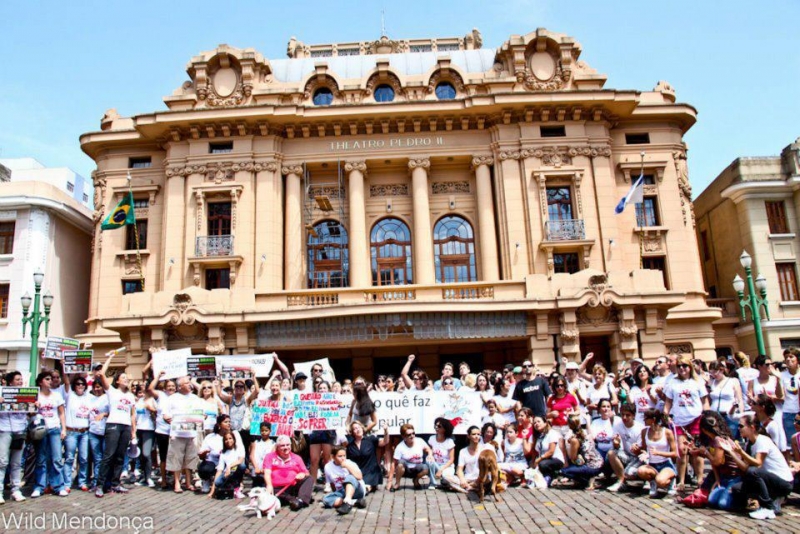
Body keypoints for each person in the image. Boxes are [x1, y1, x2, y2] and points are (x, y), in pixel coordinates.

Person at [723, 414, 794, 520]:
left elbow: (758, 464)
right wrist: (731, 452)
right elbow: (744, 468)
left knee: (753, 472)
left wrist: (740, 452)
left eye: (741, 426)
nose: (739, 428)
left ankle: (768, 507)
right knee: (737, 489)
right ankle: (772, 501)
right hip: (768, 481)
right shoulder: (750, 444)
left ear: (752, 427)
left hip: (783, 482)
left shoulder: (762, 440)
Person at [94, 351, 137, 498]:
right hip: (113, 425)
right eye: (123, 378)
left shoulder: (131, 396)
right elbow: (101, 375)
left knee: (120, 456)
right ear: (117, 381)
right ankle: (99, 485)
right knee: (108, 456)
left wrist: (133, 432)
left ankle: (115, 483)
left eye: (127, 378)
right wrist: (110, 358)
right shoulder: (111, 391)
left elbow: (132, 415)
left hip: (125, 426)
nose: (126, 380)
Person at [664, 355, 709, 491]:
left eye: (685, 366)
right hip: (679, 420)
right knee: (682, 451)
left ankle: (700, 478)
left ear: (690, 368)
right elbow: (668, 402)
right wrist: (666, 416)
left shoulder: (698, 382)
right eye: (679, 366)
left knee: (696, 450)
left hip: (696, 418)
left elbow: (704, 401)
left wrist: (707, 416)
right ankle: (681, 480)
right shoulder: (673, 383)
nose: (682, 368)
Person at [31, 370, 68, 498]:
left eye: (51, 379)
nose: (50, 381)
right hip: (40, 429)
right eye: (47, 379)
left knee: (57, 458)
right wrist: (34, 407)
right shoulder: (36, 395)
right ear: (40, 382)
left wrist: (63, 429)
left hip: (54, 428)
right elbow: (29, 414)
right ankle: (40, 486)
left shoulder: (57, 395)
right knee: (41, 459)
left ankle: (58, 486)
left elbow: (62, 413)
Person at [163, 375, 203, 494]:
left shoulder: (195, 398)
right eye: (186, 383)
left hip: (191, 433)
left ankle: (188, 482)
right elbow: (165, 414)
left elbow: (200, 413)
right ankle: (177, 482)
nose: (189, 384)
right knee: (176, 458)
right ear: (180, 386)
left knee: (190, 458)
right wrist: (167, 418)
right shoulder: (172, 398)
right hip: (177, 433)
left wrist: (202, 417)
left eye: (190, 382)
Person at [634, 409, 678, 498]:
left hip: (666, 464)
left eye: (646, 418)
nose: (644, 420)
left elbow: (675, 453)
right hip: (652, 465)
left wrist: (659, 453)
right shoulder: (644, 431)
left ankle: (671, 481)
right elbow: (644, 449)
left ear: (653, 419)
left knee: (661, 481)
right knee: (640, 471)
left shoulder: (667, 432)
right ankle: (653, 482)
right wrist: (637, 449)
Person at [263, 435, 313, 511]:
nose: (286, 447)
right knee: (266, 489)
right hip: (276, 488)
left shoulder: (297, 457)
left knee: (309, 479)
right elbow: (267, 473)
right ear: (277, 447)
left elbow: (306, 473)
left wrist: (302, 474)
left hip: (292, 486)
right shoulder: (269, 457)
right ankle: (293, 499)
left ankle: (300, 501)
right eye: (282, 446)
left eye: (288, 445)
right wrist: (269, 485)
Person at [198, 414, 245, 494]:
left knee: (242, 465)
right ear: (219, 425)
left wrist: (231, 465)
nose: (229, 424)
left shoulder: (235, 434)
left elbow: (241, 453)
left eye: (229, 422)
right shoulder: (210, 437)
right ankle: (206, 480)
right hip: (214, 463)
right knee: (204, 468)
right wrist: (204, 453)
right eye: (225, 422)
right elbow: (201, 456)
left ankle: (237, 482)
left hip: (230, 463)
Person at [0, 371, 28, 503]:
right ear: (10, 382)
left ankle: (15, 490)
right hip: (4, 430)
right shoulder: (1, 391)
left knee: (16, 463)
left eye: (21, 379)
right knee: (2, 461)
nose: (20, 381)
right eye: (17, 379)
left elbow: (31, 414)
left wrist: (34, 406)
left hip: (19, 430)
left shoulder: (26, 393)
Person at [62, 373, 92, 491]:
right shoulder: (70, 395)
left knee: (84, 458)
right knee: (69, 458)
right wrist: (65, 368)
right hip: (71, 432)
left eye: (82, 384)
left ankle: (82, 482)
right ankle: (67, 483)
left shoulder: (88, 396)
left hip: (84, 432)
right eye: (78, 384)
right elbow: (67, 382)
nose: (80, 386)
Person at [606, 403, 645, 492]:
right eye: (622, 415)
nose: (624, 418)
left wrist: (637, 449)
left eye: (628, 415)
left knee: (629, 474)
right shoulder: (618, 425)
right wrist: (616, 443)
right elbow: (616, 446)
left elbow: (642, 451)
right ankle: (621, 481)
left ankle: (647, 480)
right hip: (627, 454)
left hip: (638, 457)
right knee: (611, 453)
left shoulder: (640, 428)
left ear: (633, 415)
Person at [561, 414, 604, 490]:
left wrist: (565, 448)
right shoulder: (584, 432)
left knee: (564, 471)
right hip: (599, 462)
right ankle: (586, 478)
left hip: (592, 466)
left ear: (570, 425)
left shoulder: (574, 440)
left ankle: (585, 481)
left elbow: (573, 458)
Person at [148, 375, 176, 490]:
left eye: (173, 386)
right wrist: (158, 376)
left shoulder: (178, 397)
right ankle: (164, 480)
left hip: (175, 431)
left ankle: (175, 480)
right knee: (163, 457)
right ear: (164, 388)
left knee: (175, 457)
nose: (171, 388)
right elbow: (150, 389)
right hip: (162, 431)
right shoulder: (160, 395)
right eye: (169, 386)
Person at [323, 446, 367, 515]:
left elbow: (359, 477)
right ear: (333, 457)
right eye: (340, 456)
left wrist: (347, 466)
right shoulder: (328, 467)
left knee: (350, 477)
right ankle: (354, 502)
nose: (343, 458)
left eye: (344, 455)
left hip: (356, 490)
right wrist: (336, 493)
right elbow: (332, 483)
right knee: (326, 499)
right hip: (342, 491)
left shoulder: (350, 463)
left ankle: (348, 502)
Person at [308, 380, 336, 491]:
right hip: (315, 432)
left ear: (329, 390)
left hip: (328, 432)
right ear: (317, 390)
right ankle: (313, 483)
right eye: (320, 388)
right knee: (314, 459)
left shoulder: (333, 400)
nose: (322, 390)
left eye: (324, 388)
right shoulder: (312, 401)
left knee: (327, 459)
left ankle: (328, 482)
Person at [347, 420, 389, 492]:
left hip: (371, 471)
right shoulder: (350, 446)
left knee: (365, 486)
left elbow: (385, 442)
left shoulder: (370, 439)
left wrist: (386, 431)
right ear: (352, 432)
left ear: (362, 428)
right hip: (358, 471)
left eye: (359, 427)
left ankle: (366, 490)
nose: (358, 429)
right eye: (355, 428)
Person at [389, 423, 433, 491]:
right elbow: (393, 463)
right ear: (404, 437)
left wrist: (430, 455)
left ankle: (416, 480)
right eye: (409, 435)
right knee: (400, 463)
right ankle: (397, 483)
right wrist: (390, 481)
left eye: (413, 433)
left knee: (426, 468)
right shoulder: (400, 447)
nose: (412, 436)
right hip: (405, 470)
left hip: (417, 468)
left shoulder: (420, 441)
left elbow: (428, 449)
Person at [708, 361, 743, 438]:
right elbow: (709, 400)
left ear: (721, 370)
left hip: (729, 414)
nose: (713, 375)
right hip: (715, 416)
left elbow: (739, 399)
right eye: (711, 373)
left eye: (715, 372)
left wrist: (741, 415)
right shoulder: (711, 382)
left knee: (731, 437)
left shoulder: (733, 381)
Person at [452, 425, 491, 494]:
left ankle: (469, 487)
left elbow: (488, 469)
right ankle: (468, 488)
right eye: (473, 434)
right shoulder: (463, 451)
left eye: (478, 434)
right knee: (446, 478)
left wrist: (477, 481)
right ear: (468, 436)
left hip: (481, 479)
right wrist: (462, 480)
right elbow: (459, 469)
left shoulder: (485, 448)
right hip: (468, 479)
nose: (476, 436)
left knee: (489, 477)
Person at [208, 432, 245, 499]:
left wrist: (229, 466)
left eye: (230, 438)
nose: (228, 441)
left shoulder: (239, 448)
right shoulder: (223, 453)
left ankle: (237, 488)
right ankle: (228, 487)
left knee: (242, 466)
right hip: (227, 474)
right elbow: (220, 470)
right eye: (226, 439)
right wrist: (212, 491)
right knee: (217, 482)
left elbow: (240, 460)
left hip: (235, 471)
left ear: (234, 439)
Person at [133, 384, 157, 487]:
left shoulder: (153, 400)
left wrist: (150, 408)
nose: (143, 394)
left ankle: (149, 477)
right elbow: (134, 416)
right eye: (141, 391)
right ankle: (143, 476)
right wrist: (133, 431)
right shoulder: (138, 402)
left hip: (149, 429)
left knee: (146, 453)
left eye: (144, 391)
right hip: (139, 429)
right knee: (141, 455)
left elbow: (157, 413)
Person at [87, 378, 109, 489]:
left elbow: (113, 411)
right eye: (95, 387)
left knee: (106, 459)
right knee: (97, 459)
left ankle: (105, 482)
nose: (97, 389)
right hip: (93, 431)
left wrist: (104, 414)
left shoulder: (107, 398)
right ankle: (96, 482)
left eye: (99, 386)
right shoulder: (90, 399)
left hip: (105, 431)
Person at [532, 415, 565, 486]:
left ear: (545, 423)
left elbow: (551, 451)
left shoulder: (552, 433)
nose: (536, 424)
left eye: (538, 422)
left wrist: (538, 460)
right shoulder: (539, 436)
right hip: (544, 459)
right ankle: (547, 478)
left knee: (542, 464)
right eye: (534, 423)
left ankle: (555, 474)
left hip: (555, 459)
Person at [546, 375, 578, 441]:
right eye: (557, 386)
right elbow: (546, 415)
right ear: (554, 387)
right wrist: (551, 414)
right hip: (556, 427)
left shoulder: (570, 396)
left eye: (561, 385)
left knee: (569, 444)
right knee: (559, 446)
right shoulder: (551, 399)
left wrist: (572, 414)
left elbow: (578, 411)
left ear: (565, 386)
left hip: (568, 426)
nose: (559, 388)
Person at [427, 418, 455, 490]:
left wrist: (441, 470)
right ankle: (433, 483)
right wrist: (430, 455)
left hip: (446, 466)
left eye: (439, 426)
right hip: (435, 464)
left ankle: (446, 481)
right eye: (435, 426)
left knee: (446, 479)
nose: (436, 428)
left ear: (445, 429)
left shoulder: (449, 441)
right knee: (429, 460)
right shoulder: (432, 438)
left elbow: (451, 459)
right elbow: (429, 451)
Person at [498, 422, 527, 486]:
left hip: (519, 464)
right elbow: (503, 453)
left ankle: (523, 476)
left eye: (511, 432)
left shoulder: (521, 441)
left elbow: (527, 451)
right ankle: (511, 477)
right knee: (496, 466)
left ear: (516, 433)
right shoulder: (504, 442)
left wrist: (524, 438)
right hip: (508, 464)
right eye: (507, 432)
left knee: (515, 471)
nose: (508, 434)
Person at [781, 349, 800, 445]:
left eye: (791, 356)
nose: (788, 359)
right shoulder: (782, 375)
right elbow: (780, 395)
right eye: (786, 357)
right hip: (789, 412)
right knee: (793, 442)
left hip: (799, 411)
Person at [249, 422, 275, 488]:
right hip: (256, 469)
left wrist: (264, 468)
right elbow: (252, 456)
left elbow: (271, 458)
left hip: (266, 470)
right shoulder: (256, 442)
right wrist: (256, 467)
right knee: (255, 489)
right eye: (262, 430)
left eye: (266, 430)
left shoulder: (273, 444)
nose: (264, 432)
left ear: (270, 431)